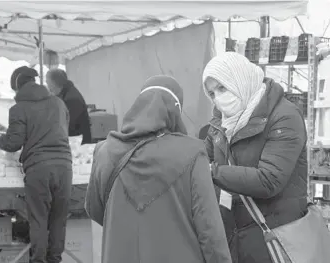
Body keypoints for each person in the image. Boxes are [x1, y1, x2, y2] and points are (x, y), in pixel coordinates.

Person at [84, 75, 232, 263]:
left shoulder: (104, 150)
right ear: (176, 110)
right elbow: (209, 227)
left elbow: (95, 210)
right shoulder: (192, 152)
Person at [202, 52, 309, 263]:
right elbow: (201, 158)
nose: (218, 98)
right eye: (212, 93)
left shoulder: (284, 116)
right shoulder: (220, 122)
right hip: (235, 235)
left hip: (275, 237)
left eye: (222, 87)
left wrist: (212, 172)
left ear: (240, 79)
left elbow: (269, 180)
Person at [0, 66, 72, 263]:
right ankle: (54, 260)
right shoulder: (58, 103)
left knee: (39, 220)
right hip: (64, 167)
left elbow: (13, 143)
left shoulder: (18, 108)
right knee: (59, 220)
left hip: (39, 168)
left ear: (17, 87)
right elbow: (62, 129)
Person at [46, 69, 92, 144]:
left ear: (54, 83)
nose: (48, 87)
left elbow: (68, 125)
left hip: (78, 144)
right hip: (73, 141)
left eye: (48, 83)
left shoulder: (71, 99)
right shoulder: (65, 94)